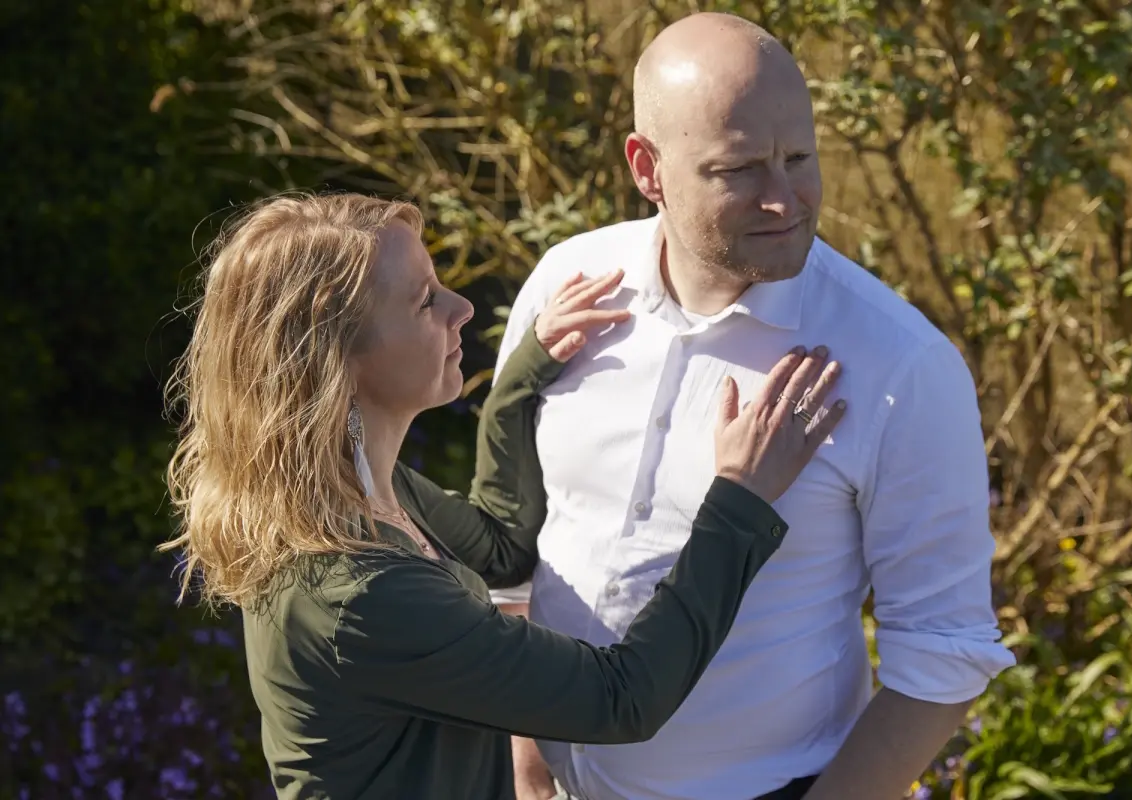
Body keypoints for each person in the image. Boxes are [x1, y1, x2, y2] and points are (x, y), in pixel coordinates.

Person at [159, 191, 848, 800]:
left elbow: (500, 546)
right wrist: (739, 498)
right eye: (425, 301)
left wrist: (524, 376)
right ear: (336, 360)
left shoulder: (360, 491)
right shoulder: (357, 591)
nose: (462, 308)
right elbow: (622, 697)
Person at [490, 12, 1017, 800]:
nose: (784, 200)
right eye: (739, 170)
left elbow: (945, 654)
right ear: (647, 167)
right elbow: (517, 539)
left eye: (798, 158)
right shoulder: (567, 283)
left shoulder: (901, 365)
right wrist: (528, 764)